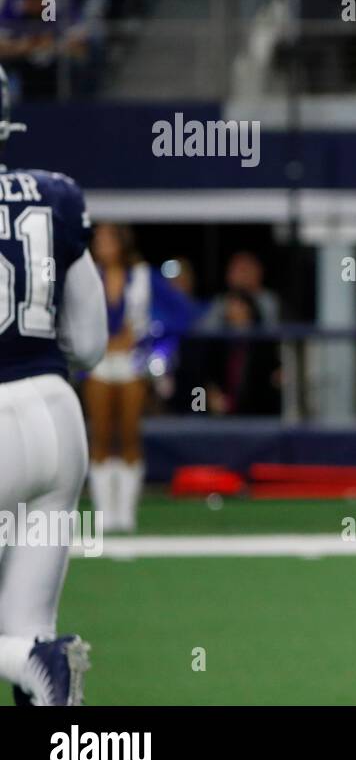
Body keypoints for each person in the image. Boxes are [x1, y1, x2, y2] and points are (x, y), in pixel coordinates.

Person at [0, 162, 106, 705]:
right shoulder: (53, 193)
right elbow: (90, 344)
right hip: (56, 414)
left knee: (23, 652)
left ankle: (32, 659)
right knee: (29, 624)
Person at [84, 222, 195, 533]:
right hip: (99, 362)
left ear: (122, 242)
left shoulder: (144, 276)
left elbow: (183, 313)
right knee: (102, 435)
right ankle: (105, 511)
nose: (102, 244)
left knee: (130, 434)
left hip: (132, 362)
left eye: (108, 238)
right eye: (98, 239)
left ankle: (126, 512)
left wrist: (152, 339)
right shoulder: (87, 275)